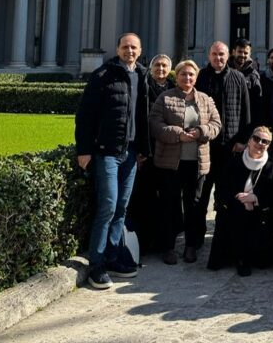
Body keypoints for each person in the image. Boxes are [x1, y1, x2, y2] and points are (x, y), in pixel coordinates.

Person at [75, 32, 151, 290]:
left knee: (121, 207)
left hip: (129, 152)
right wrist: (84, 149)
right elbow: (85, 115)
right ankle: (96, 264)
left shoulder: (141, 75)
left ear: (140, 51)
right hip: (107, 150)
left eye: (134, 47)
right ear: (117, 49)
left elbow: (142, 116)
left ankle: (113, 257)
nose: (130, 51)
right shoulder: (103, 75)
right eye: (125, 47)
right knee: (107, 206)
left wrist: (143, 149)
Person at [148, 59, 221, 265]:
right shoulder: (165, 98)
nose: (187, 78)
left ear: (196, 77)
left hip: (197, 163)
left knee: (194, 207)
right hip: (171, 163)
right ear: (176, 76)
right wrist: (178, 134)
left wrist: (201, 131)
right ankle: (168, 247)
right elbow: (155, 124)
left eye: (191, 75)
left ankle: (191, 246)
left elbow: (216, 124)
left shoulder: (205, 99)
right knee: (169, 205)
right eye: (183, 74)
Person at [207, 126, 273, 276]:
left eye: (265, 141)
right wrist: (239, 200)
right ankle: (241, 258)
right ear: (249, 140)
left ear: (268, 145)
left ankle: (244, 257)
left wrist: (255, 199)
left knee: (263, 262)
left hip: (260, 213)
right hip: (235, 208)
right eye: (256, 139)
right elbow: (221, 188)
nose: (259, 143)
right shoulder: (234, 161)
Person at [196, 41, 251, 215]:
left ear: (228, 56)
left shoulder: (238, 77)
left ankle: (223, 237)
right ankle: (195, 238)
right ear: (209, 56)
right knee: (201, 193)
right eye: (214, 54)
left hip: (230, 145)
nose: (218, 58)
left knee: (225, 193)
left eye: (221, 54)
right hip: (205, 145)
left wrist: (243, 141)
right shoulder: (200, 77)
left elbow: (245, 112)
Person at [126, 53, 172, 256]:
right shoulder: (142, 86)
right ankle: (143, 242)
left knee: (167, 199)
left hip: (169, 152)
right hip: (148, 151)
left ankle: (164, 242)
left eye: (164, 66)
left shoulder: (175, 88)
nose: (160, 69)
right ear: (151, 68)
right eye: (157, 66)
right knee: (144, 197)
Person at [233, 37, 264, 127]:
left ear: (250, 54)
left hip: (246, 121)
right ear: (234, 51)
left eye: (246, 53)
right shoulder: (226, 70)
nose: (242, 55)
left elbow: (258, 102)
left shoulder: (254, 75)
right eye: (239, 52)